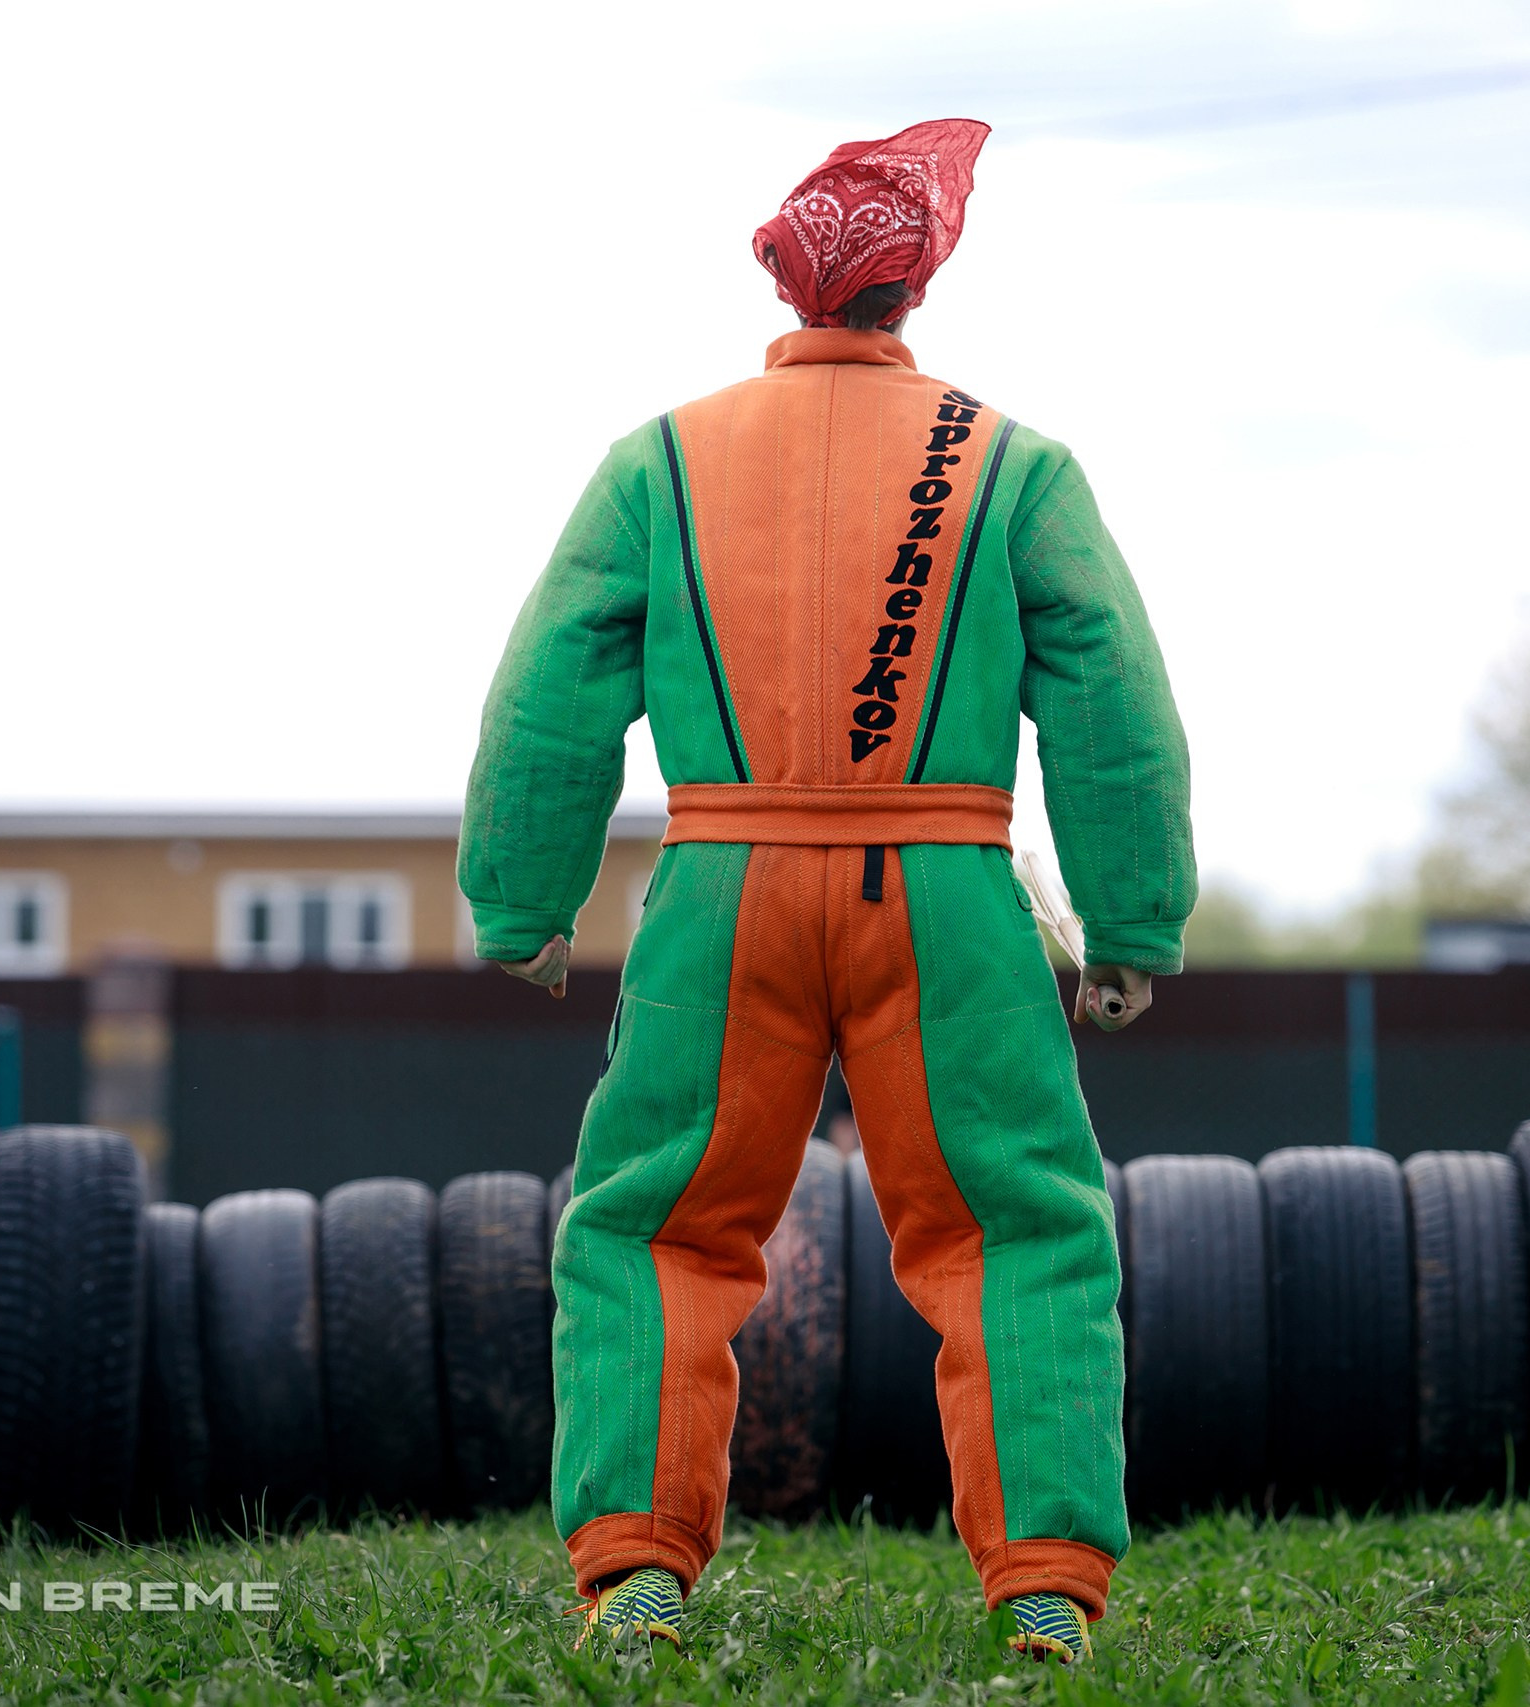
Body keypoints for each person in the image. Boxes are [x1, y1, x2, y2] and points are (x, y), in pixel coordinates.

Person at [458, 116, 1194, 1665]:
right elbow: (1115, 698)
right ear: (918, 285)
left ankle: (637, 1573)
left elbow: (549, 693)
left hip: (720, 889)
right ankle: (1047, 1590)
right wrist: (1130, 921)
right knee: (1019, 1227)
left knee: (656, 1225)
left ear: (785, 282)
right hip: (947, 892)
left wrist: (523, 902)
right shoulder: (1017, 464)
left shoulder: (657, 461)